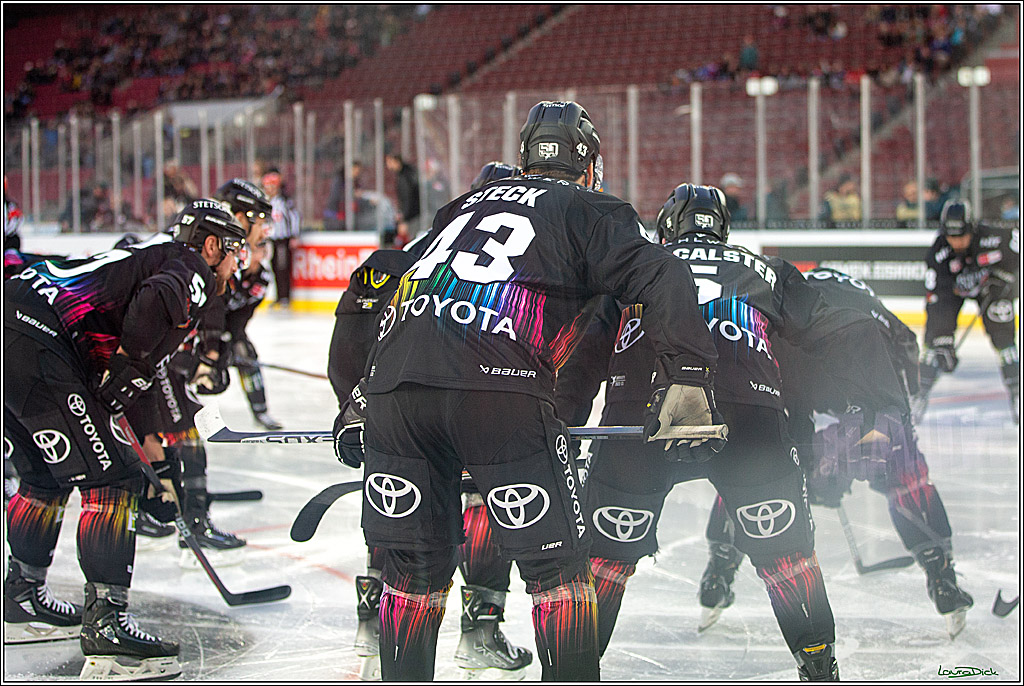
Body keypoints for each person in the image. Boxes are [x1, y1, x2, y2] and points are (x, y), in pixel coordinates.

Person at [333, 101, 720, 681]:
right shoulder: (589, 208)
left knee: (411, 570)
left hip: (396, 390)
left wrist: (358, 397)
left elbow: (388, 285)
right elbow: (664, 272)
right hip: (498, 390)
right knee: (558, 572)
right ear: (588, 162)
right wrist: (688, 378)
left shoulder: (461, 207)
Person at [571, 184, 910, 681]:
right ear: (723, 229)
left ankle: (574, 670)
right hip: (748, 414)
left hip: (639, 413)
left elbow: (582, 352)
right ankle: (819, 667)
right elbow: (845, 327)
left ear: (668, 225)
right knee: (788, 559)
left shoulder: (634, 263)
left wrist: (560, 425)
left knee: (604, 561)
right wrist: (883, 405)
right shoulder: (763, 268)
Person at [3, 198, 245, 679]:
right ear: (212, 244)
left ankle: (22, 597)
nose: (238, 263)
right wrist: (123, 373)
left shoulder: (152, 252)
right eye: (234, 251)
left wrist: (152, 458)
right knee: (113, 485)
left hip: (14, 325)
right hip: (35, 341)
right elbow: (151, 309)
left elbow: (132, 379)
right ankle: (108, 628)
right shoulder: (191, 266)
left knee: (45, 478)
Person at [328, 160, 531, 680]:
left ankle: (375, 623)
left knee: (397, 488)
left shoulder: (409, 255)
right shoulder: (523, 260)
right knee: (486, 499)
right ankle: (481, 631)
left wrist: (357, 402)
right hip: (470, 402)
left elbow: (350, 337)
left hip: (398, 400)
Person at [698, 266, 973, 639]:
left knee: (760, 465)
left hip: (792, 362)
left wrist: (811, 459)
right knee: (902, 465)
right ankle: (943, 580)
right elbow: (906, 353)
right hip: (866, 366)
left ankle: (718, 571)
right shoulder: (870, 303)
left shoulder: (795, 294)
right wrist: (893, 426)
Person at [912, 199, 1019, 423]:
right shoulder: (938, 253)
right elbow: (936, 300)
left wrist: (1009, 281)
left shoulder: (997, 238)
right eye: (951, 237)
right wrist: (942, 340)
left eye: (962, 235)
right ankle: (916, 395)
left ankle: (1018, 392)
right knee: (934, 344)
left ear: (972, 228)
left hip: (992, 290)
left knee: (1004, 336)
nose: (957, 242)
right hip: (952, 291)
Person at [209, 178, 282, 430]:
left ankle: (261, 411)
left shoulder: (260, 278)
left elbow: (241, 318)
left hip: (223, 323)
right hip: (200, 324)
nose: (260, 253)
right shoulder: (225, 260)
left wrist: (229, 339)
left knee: (245, 353)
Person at [261, 168, 301, 307]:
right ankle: (279, 296)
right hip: (271, 240)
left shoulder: (284, 201)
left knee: (283, 267)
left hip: (283, 240)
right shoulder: (266, 202)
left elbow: (294, 218)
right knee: (274, 268)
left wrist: (294, 235)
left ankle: (285, 297)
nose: (269, 189)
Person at [385, 152, 420, 248]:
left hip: (412, 217)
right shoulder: (406, 173)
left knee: (411, 243)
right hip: (413, 215)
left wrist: (404, 218)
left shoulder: (405, 176)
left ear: (396, 161)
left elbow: (407, 198)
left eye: (389, 162)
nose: (388, 165)